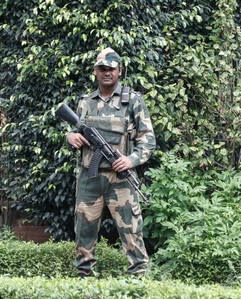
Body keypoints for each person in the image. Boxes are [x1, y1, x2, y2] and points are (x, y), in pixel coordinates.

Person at [65, 47, 156, 277]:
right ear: (95, 71)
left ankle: (138, 280)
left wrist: (130, 159)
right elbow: (74, 133)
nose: (107, 73)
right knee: (84, 231)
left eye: (111, 69)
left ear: (119, 71)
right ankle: (83, 278)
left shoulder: (133, 101)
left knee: (131, 231)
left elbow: (148, 141)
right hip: (90, 177)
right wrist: (70, 137)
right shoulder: (85, 103)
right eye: (102, 68)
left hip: (121, 180)